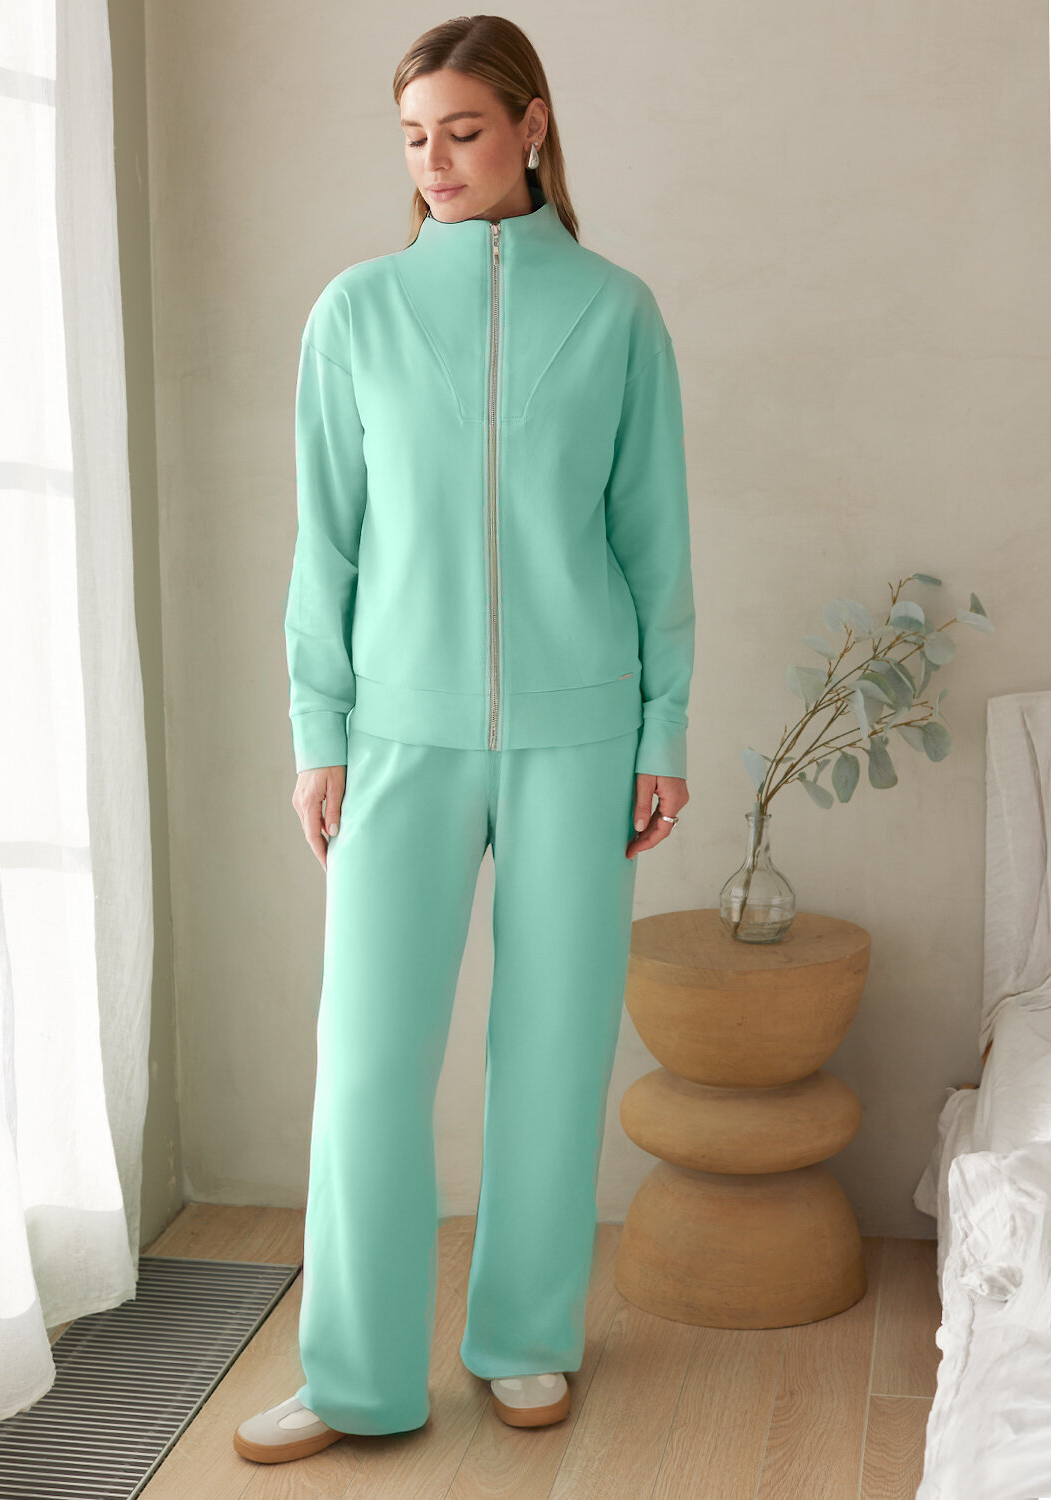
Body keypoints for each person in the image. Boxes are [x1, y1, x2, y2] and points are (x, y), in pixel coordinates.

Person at [233, 13, 695, 1467]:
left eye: (464, 131)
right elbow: (326, 547)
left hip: (581, 733)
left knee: (553, 1050)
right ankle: (355, 1377)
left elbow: (654, 543)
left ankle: (526, 1338)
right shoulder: (355, 313)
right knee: (369, 1061)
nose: (434, 162)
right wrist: (319, 731)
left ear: (532, 126)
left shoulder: (616, 312)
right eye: (414, 138)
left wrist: (663, 728)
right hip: (397, 737)